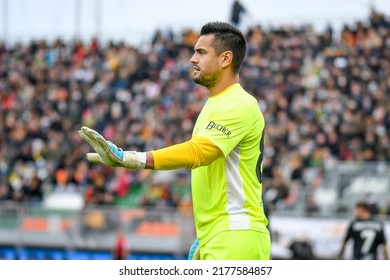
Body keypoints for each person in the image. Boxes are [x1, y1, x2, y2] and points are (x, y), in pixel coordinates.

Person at [79, 21, 270, 260]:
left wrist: (132, 159)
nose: (192, 58)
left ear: (225, 59)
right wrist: (207, 235)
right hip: (221, 235)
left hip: (235, 235)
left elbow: (198, 152)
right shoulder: (217, 103)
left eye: (201, 52)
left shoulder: (238, 103)